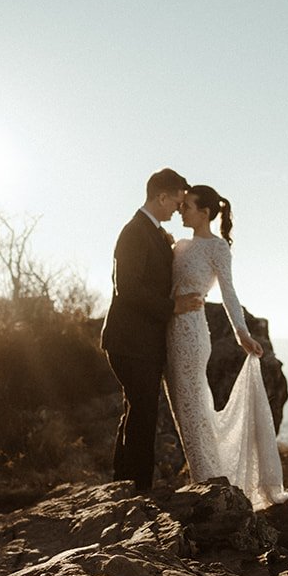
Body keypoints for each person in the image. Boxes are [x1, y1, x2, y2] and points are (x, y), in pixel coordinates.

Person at [166, 184, 288, 508]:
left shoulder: (217, 248)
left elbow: (229, 293)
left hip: (193, 332)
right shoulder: (178, 245)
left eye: (188, 206)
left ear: (204, 213)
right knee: (184, 409)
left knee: (194, 407)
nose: (181, 209)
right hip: (170, 328)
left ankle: (208, 483)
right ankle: (204, 479)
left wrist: (242, 334)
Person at [100, 167, 202, 490]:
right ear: (161, 197)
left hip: (140, 342)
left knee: (138, 411)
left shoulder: (153, 231)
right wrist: (173, 307)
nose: (179, 207)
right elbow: (126, 288)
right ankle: (138, 489)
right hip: (130, 342)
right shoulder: (134, 232)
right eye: (177, 200)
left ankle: (125, 485)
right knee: (143, 413)